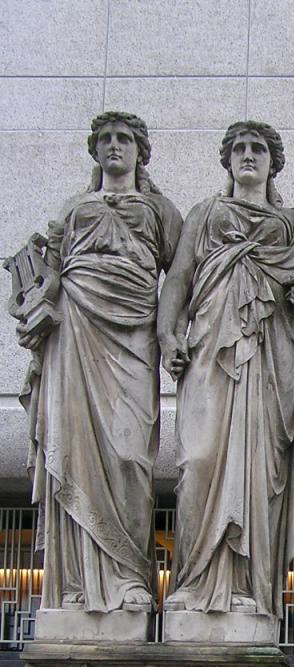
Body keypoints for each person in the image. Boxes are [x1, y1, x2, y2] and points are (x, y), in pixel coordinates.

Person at [157, 121, 294, 620]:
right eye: (239, 148)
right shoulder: (205, 214)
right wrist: (168, 335)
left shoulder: (291, 222)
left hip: (270, 363)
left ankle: (249, 589)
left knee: (258, 474)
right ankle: (194, 583)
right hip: (210, 352)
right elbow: (179, 280)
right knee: (199, 462)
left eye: (258, 149)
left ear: (273, 163)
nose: (248, 155)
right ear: (227, 159)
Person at [17, 111, 182, 612]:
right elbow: (51, 277)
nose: (114, 145)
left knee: (130, 457)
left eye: (124, 139)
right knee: (75, 453)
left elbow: (183, 280)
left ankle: (129, 575)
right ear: (94, 150)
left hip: (134, 337)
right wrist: (32, 290)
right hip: (76, 330)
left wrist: (173, 335)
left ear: (140, 151)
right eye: (105, 139)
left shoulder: (161, 211)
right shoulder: (74, 208)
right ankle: (79, 585)